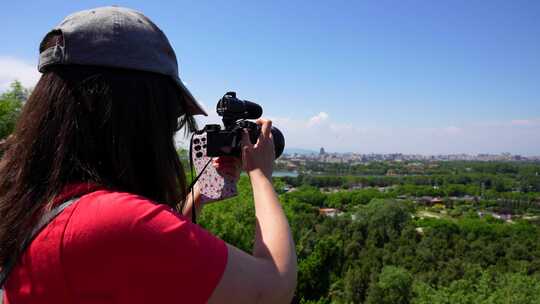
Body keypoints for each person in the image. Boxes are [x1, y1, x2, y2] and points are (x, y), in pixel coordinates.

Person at [0, 6, 297, 304]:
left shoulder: (30, 199)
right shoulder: (111, 222)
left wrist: (198, 196)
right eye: (171, 119)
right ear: (138, 115)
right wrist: (261, 176)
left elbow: (145, 251)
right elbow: (273, 288)